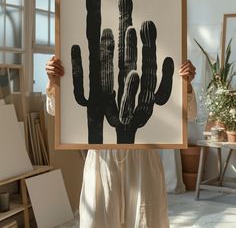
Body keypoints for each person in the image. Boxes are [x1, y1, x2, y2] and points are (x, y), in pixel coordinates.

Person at [46, 57, 196, 228]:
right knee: (99, 220)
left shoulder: (150, 63)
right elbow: (54, 110)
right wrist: (53, 82)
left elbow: (190, 114)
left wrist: (186, 85)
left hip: (143, 159)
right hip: (101, 160)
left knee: (145, 221)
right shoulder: (95, 65)